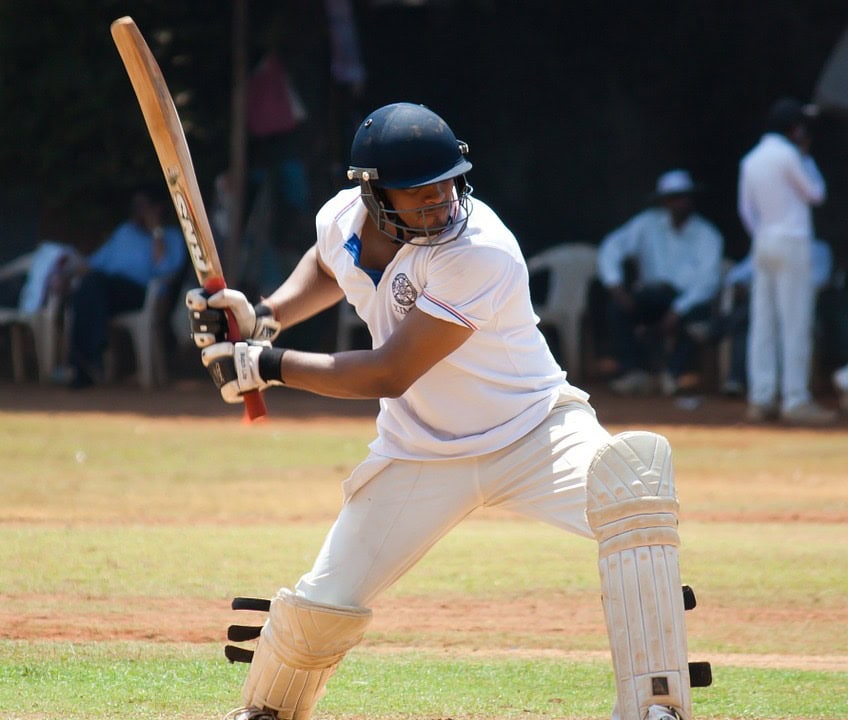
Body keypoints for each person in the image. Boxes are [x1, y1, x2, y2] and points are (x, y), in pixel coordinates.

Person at [186, 103, 705, 720]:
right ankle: (266, 709)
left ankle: (657, 707)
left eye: (447, 186)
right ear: (374, 194)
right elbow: (330, 264)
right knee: (323, 603)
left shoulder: (481, 249)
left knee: (633, 484)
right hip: (420, 452)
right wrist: (265, 316)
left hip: (535, 432)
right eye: (420, 195)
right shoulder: (340, 217)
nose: (440, 204)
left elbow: (390, 370)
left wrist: (265, 363)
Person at [736, 97, 836, 425]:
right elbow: (816, 193)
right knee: (795, 323)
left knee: (763, 323)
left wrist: (762, 233)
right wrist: (805, 156)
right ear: (794, 129)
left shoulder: (752, 159)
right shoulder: (790, 155)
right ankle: (795, 399)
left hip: (763, 241)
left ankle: (761, 397)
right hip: (792, 241)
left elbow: (746, 211)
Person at [596, 170, 724, 397]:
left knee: (697, 319)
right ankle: (634, 372)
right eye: (674, 198)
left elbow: (708, 283)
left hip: (688, 300)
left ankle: (672, 375)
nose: (680, 203)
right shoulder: (647, 224)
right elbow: (611, 247)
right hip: (652, 297)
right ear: (664, 201)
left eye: (684, 197)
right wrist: (615, 286)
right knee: (618, 308)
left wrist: (677, 310)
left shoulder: (708, 235)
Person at [64, 187, 185, 389]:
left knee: (91, 288)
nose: (138, 211)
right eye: (136, 206)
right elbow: (94, 263)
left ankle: (86, 361)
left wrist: (155, 229)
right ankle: (89, 359)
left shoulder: (172, 237)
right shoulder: (124, 232)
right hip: (106, 291)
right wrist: (64, 275)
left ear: (158, 208)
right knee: (87, 287)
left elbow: (163, 268)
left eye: (143, 206)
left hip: (140, 293)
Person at [710, 239, 833, 397]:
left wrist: (786, 288)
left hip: (797, 304)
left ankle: (717, 328)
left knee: (747, 318)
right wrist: (742, 285)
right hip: (764, 303)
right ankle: (754, 387)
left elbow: (819, 280)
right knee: (751, 322)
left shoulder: (820, 249)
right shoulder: (767, 241)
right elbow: (737, 275)